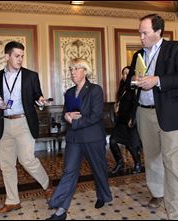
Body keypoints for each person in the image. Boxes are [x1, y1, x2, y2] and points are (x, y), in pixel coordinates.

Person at [130, 14, 178, 219]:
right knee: (152, 157)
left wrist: (157, 80)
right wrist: (134, 80)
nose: (141, 37)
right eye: (140, 33)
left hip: (170, 113)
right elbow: (132, 81)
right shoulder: (138, 54)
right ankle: (158, 192)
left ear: (158, 31)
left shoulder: (177, 48)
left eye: (145, 33)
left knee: (172, 162)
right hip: (144, 112)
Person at [0, 41, 53, 213]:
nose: (20, 59)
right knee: (6, 164)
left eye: (22, 56)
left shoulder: (31, 76)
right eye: (17, 56)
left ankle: (47, 185)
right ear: (7, 56)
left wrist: (40, 102)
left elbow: (37, 96)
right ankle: (12, 200)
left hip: (24, 122)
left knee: (27, 160)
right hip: (4, 123)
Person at [46, 58, 113, 220]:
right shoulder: (69, 92)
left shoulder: (95, 90)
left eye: (76, 69)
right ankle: (61, 209)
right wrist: (67, 116)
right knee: (69, 171)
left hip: (92, 137)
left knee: (99, 169)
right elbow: (65, 114)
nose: (73, 72)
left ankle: (103, 196)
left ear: (85, 71)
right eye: (71, 69)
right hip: (74, 138)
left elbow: (95, 116)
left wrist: (74, 120)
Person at [109, 66, 142, 175]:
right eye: (123, 74)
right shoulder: (122, 88)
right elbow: (120, 103)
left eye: (128, 74)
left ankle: (137, 163)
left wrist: (132, 118)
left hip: (130, 120)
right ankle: (120, 163)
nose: (125, 76)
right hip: (121, 120)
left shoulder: (136, 88)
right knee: (112, 141)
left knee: (131, 144)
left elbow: (136, 106)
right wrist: (116, 106)